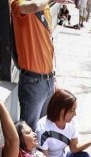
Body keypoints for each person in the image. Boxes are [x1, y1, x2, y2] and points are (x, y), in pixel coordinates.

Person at [10, 0, 63, 131]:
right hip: (33, 81)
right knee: (30, 133)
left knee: (43, 131)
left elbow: (48, 46)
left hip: (48, 80)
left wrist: (53, 77)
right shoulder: (19, 3)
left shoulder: (45, 8)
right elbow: (33, 6)